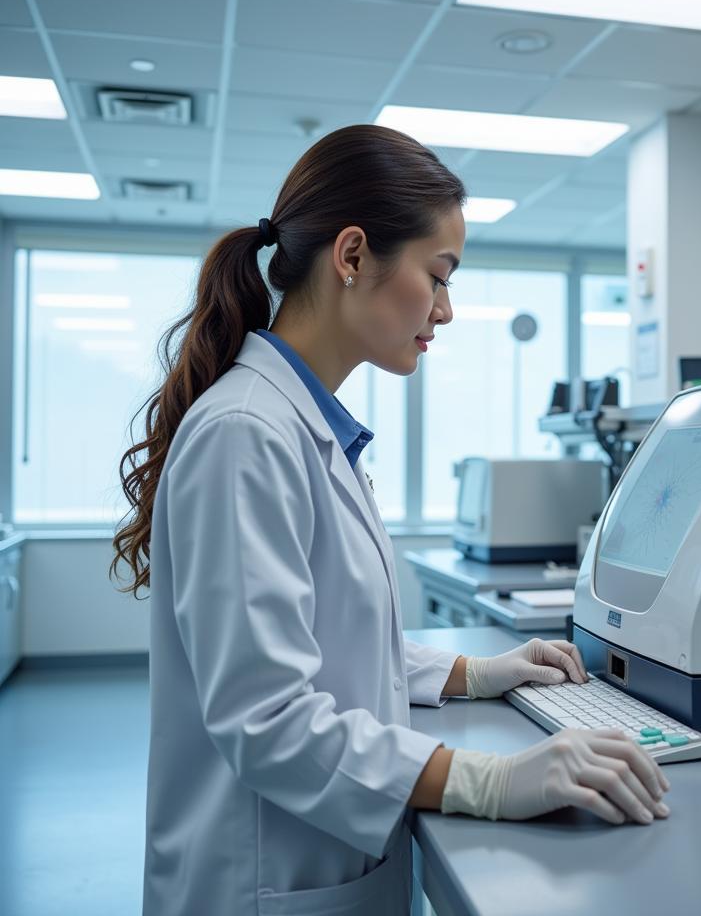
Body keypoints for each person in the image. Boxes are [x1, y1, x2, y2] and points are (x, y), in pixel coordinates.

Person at [111, 125, 670, 916]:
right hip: (263, 883)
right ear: (351, 257)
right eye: (438, 275)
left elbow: (331, 640)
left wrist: (481, 672)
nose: (444, 308)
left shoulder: (299, 424)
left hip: (327, 868)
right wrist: (489, 779)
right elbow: (267, 717)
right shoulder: (247, 433)